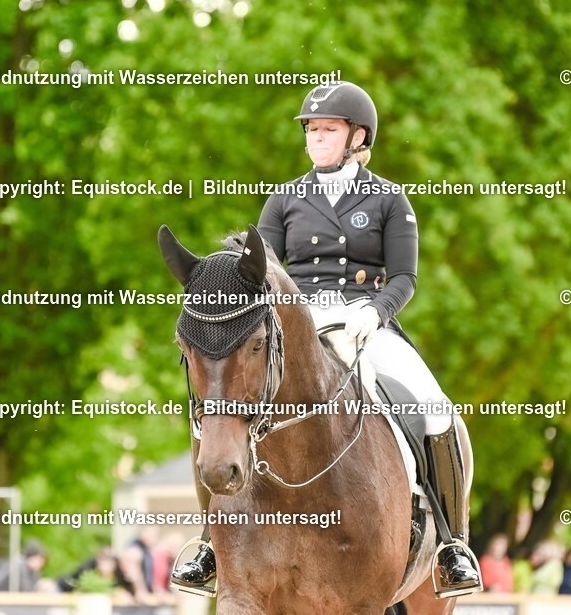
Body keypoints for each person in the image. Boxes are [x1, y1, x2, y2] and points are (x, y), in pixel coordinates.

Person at [171, 81, 482, 598]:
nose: (316, 138)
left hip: (365, 322)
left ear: (358, 137)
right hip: (298, 322)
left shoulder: (389, 199)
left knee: (433, 407)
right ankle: (210, 543)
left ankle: (451, 546)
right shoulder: (285, 198)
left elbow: (405, 277)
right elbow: (262, 270)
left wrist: (375, 311)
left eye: (328, 129)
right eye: (312, 129)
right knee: (216, 410)